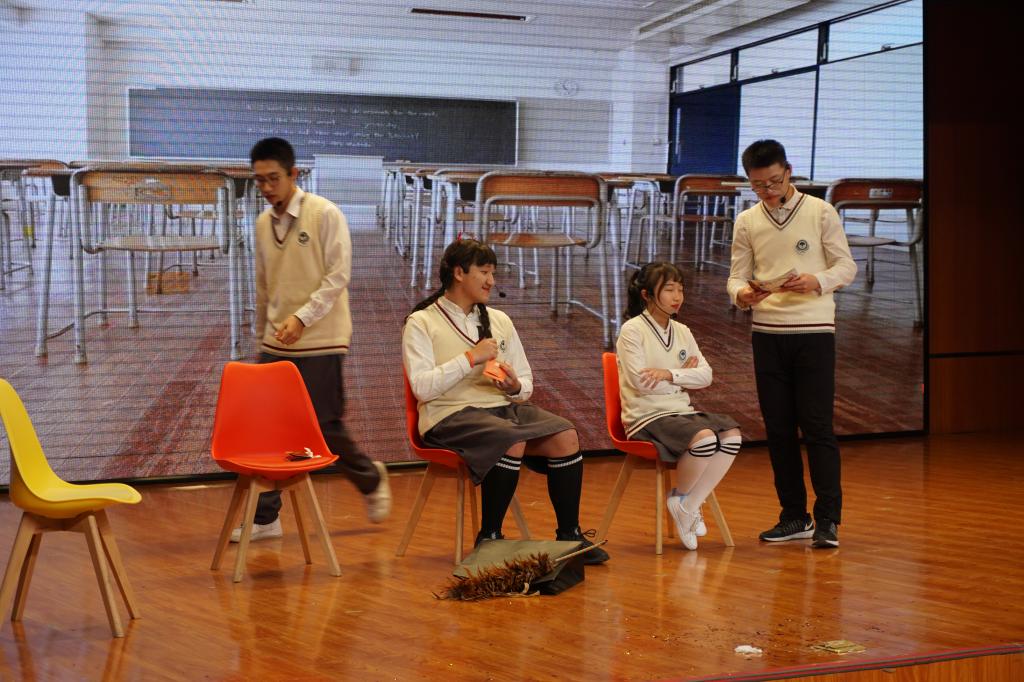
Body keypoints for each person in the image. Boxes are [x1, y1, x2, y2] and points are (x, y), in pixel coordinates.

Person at [402, 239, 609, 564]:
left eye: (493, 273)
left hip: (502, 410)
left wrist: (514, 386)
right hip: (448, 416)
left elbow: (526, 385)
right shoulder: (421, 322)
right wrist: (470, 358)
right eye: (484, 272)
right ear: (459, 273)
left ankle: (570, 536)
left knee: (565, 435)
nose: (491, 281)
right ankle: (490, 538)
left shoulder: (500, 320)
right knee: (509, 439)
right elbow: (422, 389)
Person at [232, 136, 391, 542]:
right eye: (259, 180)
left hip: (323, 337)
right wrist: (262, 337)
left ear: (293, 174)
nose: (266, 187)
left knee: (322, 425)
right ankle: (266, 517)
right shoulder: (262, 224)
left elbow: (338, 277)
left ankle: (370, 478)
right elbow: (264, 285)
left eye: (273, 178)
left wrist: (302, 319)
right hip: (276, 342)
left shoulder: (324, 213)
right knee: (268, 430)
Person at [727, 139, 856, 549]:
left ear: (789, 171)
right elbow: (736, 276)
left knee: (817, 427)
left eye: (773, 182)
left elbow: (846, 266)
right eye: (757, 185)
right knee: (779, 430)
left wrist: (817, 280)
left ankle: (828, 520)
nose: (767, 191)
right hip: (767, 333)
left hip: (814, 331)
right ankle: (793, 517)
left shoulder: (820, 211)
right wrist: (743, 295)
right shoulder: (747, 221)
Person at [616, 262, 742, 550]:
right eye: (669, 290)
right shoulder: (632, 330)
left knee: (732, 435)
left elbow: (706, 376)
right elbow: (641, 383)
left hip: (680, 412)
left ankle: (686, 504)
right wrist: (683, 377)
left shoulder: (682, 330)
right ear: (647, 295)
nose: (677, 297)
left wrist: (669, 374)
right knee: (705, 439)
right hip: (645, 415)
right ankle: (685, 502)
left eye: (680, 290)